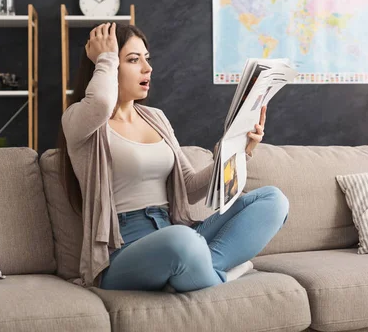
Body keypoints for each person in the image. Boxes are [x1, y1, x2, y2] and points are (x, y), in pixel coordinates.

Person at [57, 22, 289, 293]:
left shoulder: (155, 118)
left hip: (175, 231)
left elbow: (189, 187)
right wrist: (105, 57)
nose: (147, 67)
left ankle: (195, 269)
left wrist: (241, 148)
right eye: (133, 59)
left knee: (273, 199)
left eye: (147, 58)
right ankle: (217, 273)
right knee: (182, 241)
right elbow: (101, 103)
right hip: (123, 251)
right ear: (104, 66)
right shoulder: (80, 123)